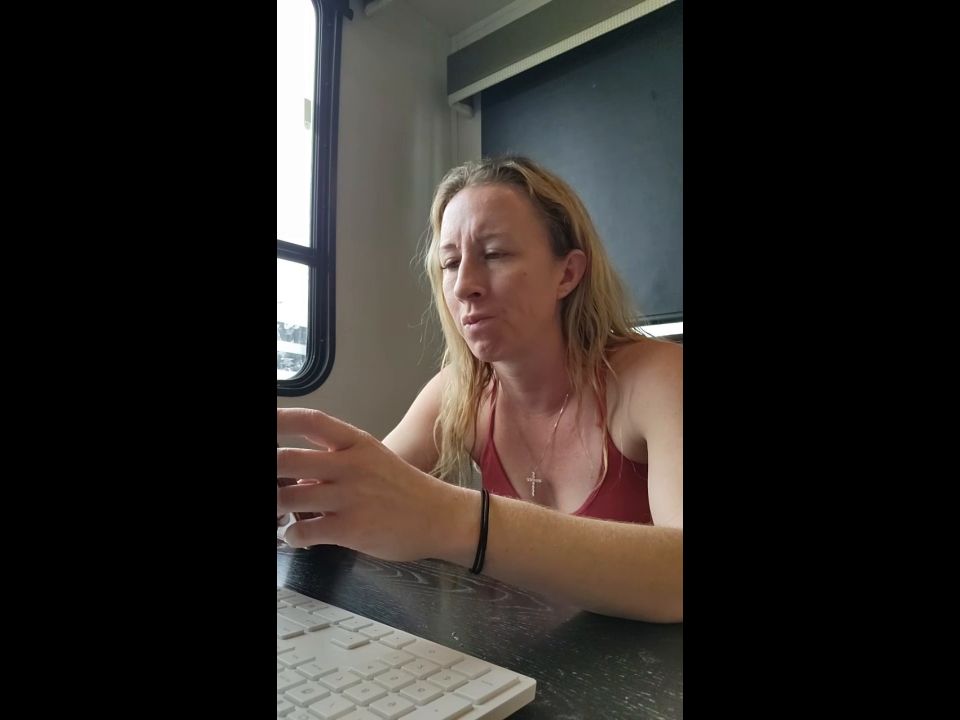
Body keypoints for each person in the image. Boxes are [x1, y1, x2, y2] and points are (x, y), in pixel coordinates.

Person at [277, 156, 682, 622]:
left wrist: (455, 519)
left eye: (495, 254)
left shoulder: (656, 376)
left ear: (567, 274)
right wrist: (302, 502)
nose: (464, 285)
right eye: (451, 263)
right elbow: (365, 500)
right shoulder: (460, 390)